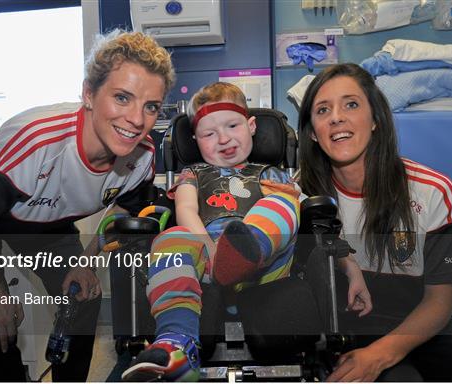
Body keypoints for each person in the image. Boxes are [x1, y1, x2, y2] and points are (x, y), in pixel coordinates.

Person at [0, 30, 175, 382]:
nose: (137, 119)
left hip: (43, 222)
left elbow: (122, 214)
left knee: (84, 295)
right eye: (122, 98)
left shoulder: (142, 157)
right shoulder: (34, 140)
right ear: (89, 94)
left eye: (151, 106)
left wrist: (88, 263)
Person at [122, 82, 372, 381]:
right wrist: (211, 250)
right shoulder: (194, 174)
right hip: (209, 261)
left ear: (251, 126)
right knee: (171, 238)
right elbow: (187, 211)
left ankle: (245, 249)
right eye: (209, 133)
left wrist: (351, 266)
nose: (223, 138)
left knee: (285, 202)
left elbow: (314, 222)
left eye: (232, 125)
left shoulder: (273, 174)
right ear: (194, 140)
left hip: (266, 266)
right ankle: (177, 344)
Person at [297, 63, 452, 382]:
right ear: (311, 132)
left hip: (423, 331)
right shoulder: (297, 199)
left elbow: (439, 302)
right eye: (323, 110)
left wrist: (377, 357)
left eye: (351, 104)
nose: (337, 117)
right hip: (341, 333)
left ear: (375, 119)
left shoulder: (434, 192)